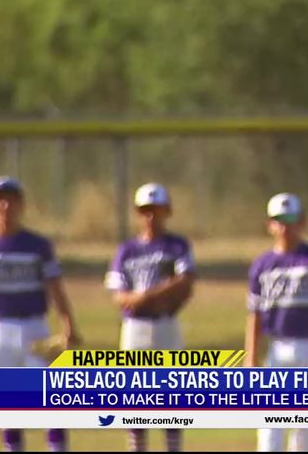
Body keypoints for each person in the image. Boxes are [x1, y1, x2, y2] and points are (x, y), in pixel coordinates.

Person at [0, 176, 81, 452]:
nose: (4, 205)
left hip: (34, 327)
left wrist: (68, 324)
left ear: (21, 205)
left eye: (10, 199)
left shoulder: (36, 245)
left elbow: (56, 288)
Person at [104, 182, 196, 452]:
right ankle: (137, 447)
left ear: (167, 211)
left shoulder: (176, 245)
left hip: (166, 322)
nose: (151, 216)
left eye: (156, 210)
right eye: (145, 210)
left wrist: (148, 295)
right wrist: (144, 298)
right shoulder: (127, 250)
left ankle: (173, 446)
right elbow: (118, 294)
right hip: (136, 326)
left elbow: (186, 281)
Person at [245, 193, 308, 452]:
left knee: (306, 430)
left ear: (302, 222)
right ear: (270, 225)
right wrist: (251, 357)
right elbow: (254, 315)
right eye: (279, 220)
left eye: (291, 219)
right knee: (270, 427)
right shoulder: (262, 266)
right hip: (277, 348)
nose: (285, 226)